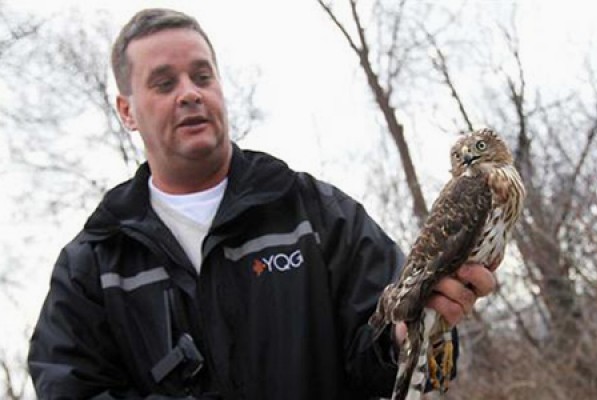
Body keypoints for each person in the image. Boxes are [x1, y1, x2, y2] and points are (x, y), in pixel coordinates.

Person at [28, 8, 497, 400]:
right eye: (164, 83)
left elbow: (403, 361)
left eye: (202, 75)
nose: (190, 92)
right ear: (127, 111)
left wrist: (410, 334)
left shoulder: (316, 216)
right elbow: (70, 386)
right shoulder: (95, 264)